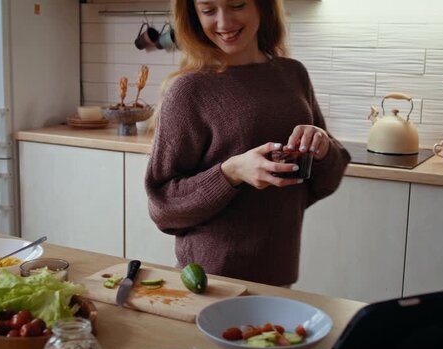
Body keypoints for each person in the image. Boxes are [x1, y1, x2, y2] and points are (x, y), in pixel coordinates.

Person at [145, 0, 351, 286]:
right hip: (213, 281)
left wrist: (323, 147)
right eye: (208, 10)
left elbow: (326, 181)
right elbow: (162, 206)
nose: (224, 22)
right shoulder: (189, 90)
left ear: (262, 6)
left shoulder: (293, 75)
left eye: (237, 5)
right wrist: (231, 172)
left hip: (280, 274)